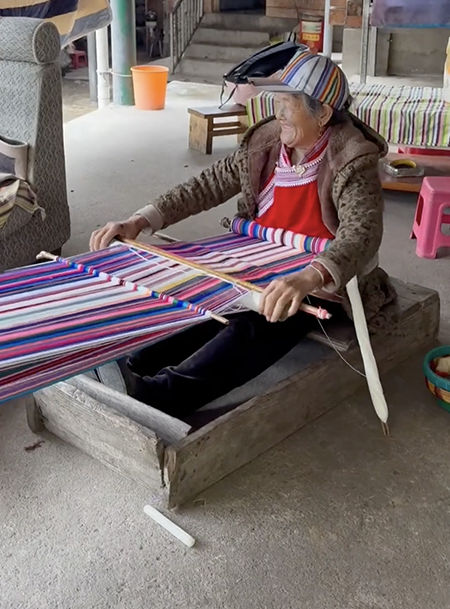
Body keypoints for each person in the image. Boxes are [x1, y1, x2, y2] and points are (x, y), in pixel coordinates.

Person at [90, 51, 397, 419]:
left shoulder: (351, 158)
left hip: (317, 281)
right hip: (254, 260)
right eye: (279, 102)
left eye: (289, 104)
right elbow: (206, 184)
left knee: (255, 326)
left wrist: (307, 277)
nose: (279, 113)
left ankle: (163, 394)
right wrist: (139, 221)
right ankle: (134, 362)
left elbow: (362, 233)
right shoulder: (265, 143)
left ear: (323, 114)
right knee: (202, 304)